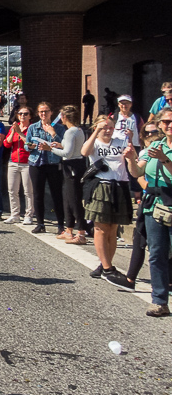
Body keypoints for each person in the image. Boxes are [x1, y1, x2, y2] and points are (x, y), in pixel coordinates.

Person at [81, 115, 135, 289]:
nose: (108, 130)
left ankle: (105, 264)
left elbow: (130, 154)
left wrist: (131, 140)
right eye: (104, 127)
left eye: (110, 127)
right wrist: (97, 130)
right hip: (100, 186)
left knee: (113, 228)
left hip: (119, 186)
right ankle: (107, 268)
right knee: (101, 227)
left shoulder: (119, 141)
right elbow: (84, 152)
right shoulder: (94, 142)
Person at [131, 108, 172, 316]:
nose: (169, 125)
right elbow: (138, 171)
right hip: (154, 203)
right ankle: (159, 300)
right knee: (156, 253)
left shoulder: (162, 151)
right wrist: (130, 158)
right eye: (165, 122)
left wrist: (165, 159)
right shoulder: (155, 145)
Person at [49, 105, 88, 244]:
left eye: (61, 116)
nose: (60, 119)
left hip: (73, 166)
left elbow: (67, 153)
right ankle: (69, 229)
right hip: (72, 165)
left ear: (65, 117)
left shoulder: (71, 131)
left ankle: (81, 232)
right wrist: (59, 145)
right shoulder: (76, 130)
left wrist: (50, 149)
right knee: (67, 199)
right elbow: (68, 148)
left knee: (74, 200)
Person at [26, 102, 65, 234]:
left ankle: (61, 225)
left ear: (51, 113)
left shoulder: (59, 128)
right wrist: (30, 146)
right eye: (41, 112)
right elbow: (27, 144)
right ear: (38, 113)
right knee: (38, 194)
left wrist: (53, 133)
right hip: (36, 163)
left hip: (53, 163)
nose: (44, 114)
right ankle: (40, 223)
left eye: (46, 111)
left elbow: (63, 145)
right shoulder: (33, 127)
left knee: (57, 194)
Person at [3, 105, 35, 225]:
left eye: (25, 114)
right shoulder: (14, 127)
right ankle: (14, 214)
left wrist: (20, 133)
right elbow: (6, 144)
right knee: (12, 190)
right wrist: (13, 132)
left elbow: (31, 144)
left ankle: (29, 215)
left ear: (30, 116)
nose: (22, 116)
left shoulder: (32, 128)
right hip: (13, 162)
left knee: (28, 191)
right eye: (20, 114)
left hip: (27, 163)